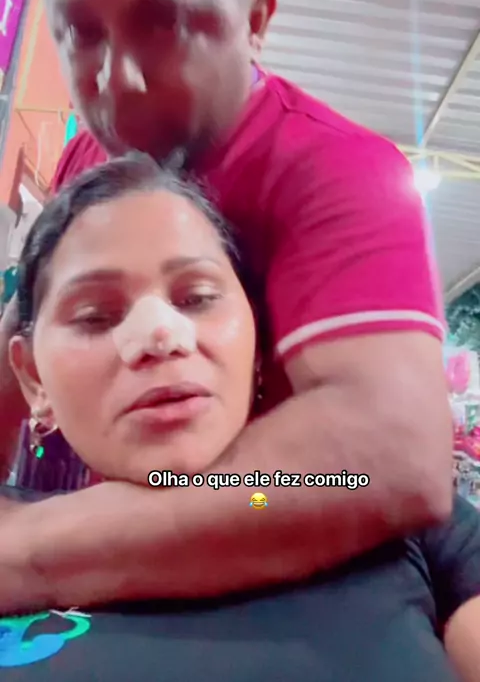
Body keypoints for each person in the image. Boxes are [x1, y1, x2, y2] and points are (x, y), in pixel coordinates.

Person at [0, 0, 452, 611]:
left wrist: (29, 554)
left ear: (256, 22)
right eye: (81, 35)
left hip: (306, 602)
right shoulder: (92, 158)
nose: (118, 80)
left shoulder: (336, 170)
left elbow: (386, 457)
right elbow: (19, 344)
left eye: (164, 24)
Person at [0, 153, 478, 682]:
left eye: (198, 297)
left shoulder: (377, 504)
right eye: (95, 316)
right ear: (33, 377)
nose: (160, 337)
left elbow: (260, 495)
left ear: (256, 344)